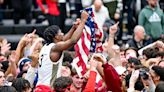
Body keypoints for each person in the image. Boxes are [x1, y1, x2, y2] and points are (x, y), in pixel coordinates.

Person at [36, 11, 89, 87]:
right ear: (56, 37)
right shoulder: (55, 48)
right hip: (48, 88)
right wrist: (83, 21)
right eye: (60, 32)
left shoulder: (46, 47)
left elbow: (64, 40)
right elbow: (73, 41)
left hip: (40, 86)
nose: (63, 34)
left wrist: (73, 28)